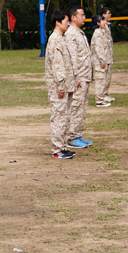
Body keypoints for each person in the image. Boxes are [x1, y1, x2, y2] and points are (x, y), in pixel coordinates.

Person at [45, 9, 76, 159]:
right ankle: (57, 149)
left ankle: (62, 146)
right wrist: (61, 85)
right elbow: (58, 66)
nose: (68, 24)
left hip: (66, 85)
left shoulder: (62, 38)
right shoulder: (55, 39)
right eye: (66, 21)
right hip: (59, 87)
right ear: (58, 22)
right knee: (58, 117)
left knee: (65, 117)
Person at [63, 6, 94, 148]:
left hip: (85, 75)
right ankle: (71, 136)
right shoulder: (70, 34)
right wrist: (75, 77)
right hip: (79, 77)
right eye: (81, 15)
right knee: (75, 106)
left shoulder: (79, 32)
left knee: (82, 106)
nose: (84, 17)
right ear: (73, 17)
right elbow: (72, 58)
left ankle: (78, 133)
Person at [90, 13, 114, 107]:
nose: (105, 22)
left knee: (104, 79)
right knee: (100, 80)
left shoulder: (103, 31)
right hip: (100, 62)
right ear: (98, 23)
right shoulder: (97, 33)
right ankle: (99, 100)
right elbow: (99, 49)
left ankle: (102, 97)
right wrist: (102, 61)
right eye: (102, 20)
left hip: (105, 60)